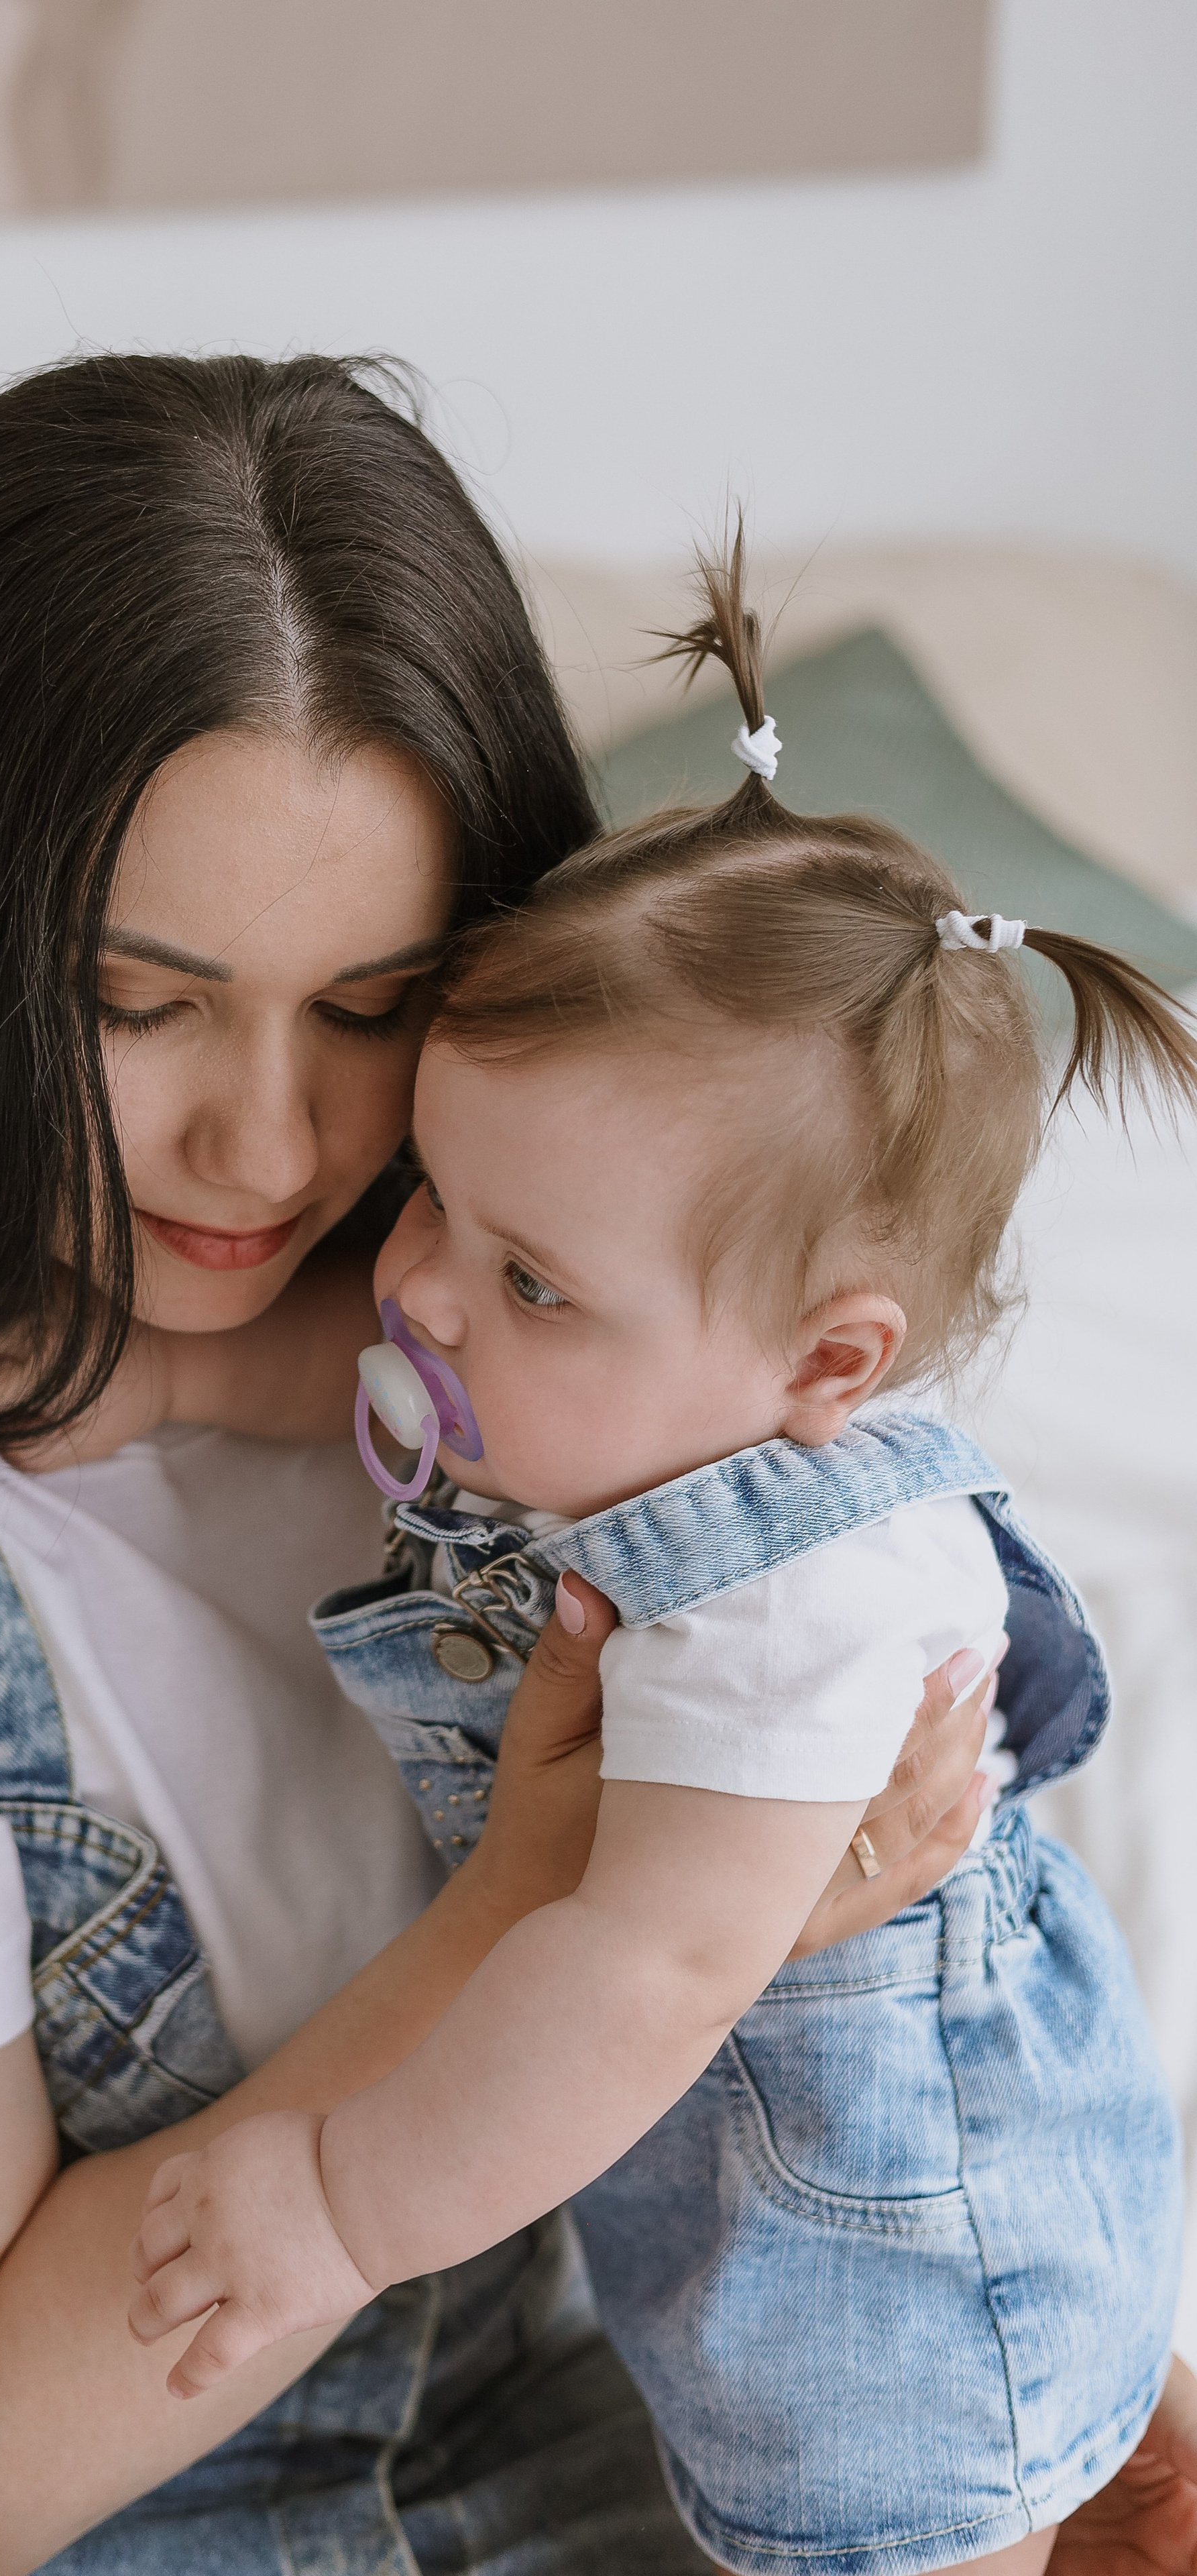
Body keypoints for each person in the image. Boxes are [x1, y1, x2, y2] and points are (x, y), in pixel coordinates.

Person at [0, 357, 1183, 2576]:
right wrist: (527, 1913)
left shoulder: (596, 1355)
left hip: (520, 2432)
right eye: (139, 1001)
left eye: (372, 1009)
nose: (266, 1150)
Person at [122, 533, 1193, 2576]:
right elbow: (372, 1362)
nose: (420, 1291)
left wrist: (333, 2209)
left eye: (531, 1281)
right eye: (434, 1191)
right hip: (763, 2254)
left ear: (828, 1360)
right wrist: (154, 1385)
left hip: (911, 2301)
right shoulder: (633, 1390)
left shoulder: (798, 1596)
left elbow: (647, 1970)